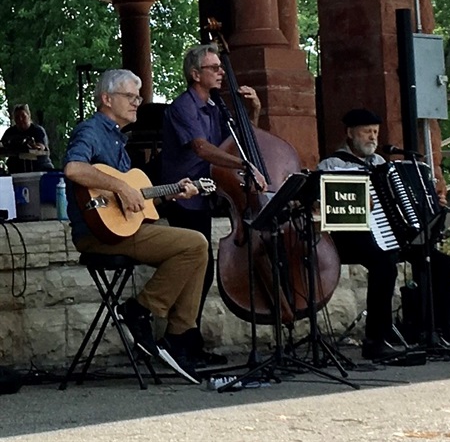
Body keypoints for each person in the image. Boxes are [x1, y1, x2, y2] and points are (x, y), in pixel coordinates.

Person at [63, 69, 209, 384]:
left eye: (138, 97)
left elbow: (136, 202)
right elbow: (74, 168)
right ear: (106, 98)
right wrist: (119, 186)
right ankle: (143, 311)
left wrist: (171, 193)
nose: (137, 103)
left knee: (196, 246)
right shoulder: (91, 130)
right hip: (97, 235)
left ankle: (177, 334)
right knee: (194, 244)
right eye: (130, 97)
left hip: (122, 229)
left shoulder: (117, 137)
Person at [317, 108, 450, 360]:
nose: (372, 137)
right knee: (384, 264)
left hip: (389, 235)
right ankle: (375, 340)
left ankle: (434, 333)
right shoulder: (331, 164)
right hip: (350, 238)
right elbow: (330, 207)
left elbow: (396, 201)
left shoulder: (382, 164)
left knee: (442, 263)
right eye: (366, 132)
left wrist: (431, 206)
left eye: (375, 132)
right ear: (350, 133)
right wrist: (360, 200)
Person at [161, 43, 268, 366]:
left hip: (205, 195)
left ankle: (187, 339)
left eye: (221, 67)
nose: (222, 72)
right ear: (195, 74)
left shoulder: (217, 106)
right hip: (183, 196)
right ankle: (178, 340)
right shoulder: (184, 107)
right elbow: (203, 149)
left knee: (202, 271)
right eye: (214, 68)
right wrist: (243, 166)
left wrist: (253, 113)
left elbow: (238, 143)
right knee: (197, 269)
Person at [1, 103, 54, 173]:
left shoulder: (37, 130)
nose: (20, 119)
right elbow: (2, 145)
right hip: (17, 171)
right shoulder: (10, 132)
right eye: (17, 117)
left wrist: (32, 146)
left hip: (39, 169)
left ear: (29, 116)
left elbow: (41, 147)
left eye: (23, 116)